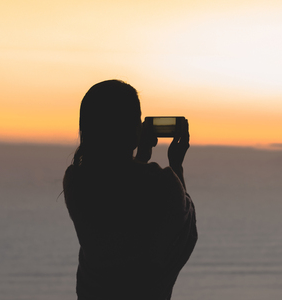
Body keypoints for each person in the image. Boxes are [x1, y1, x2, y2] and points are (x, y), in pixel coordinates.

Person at [62, 80, 197, 299]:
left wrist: (140, 156)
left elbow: (118, 190)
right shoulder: (162, 183)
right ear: (134, 128)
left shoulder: (76, 181)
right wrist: (176, 164)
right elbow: (184, 232)